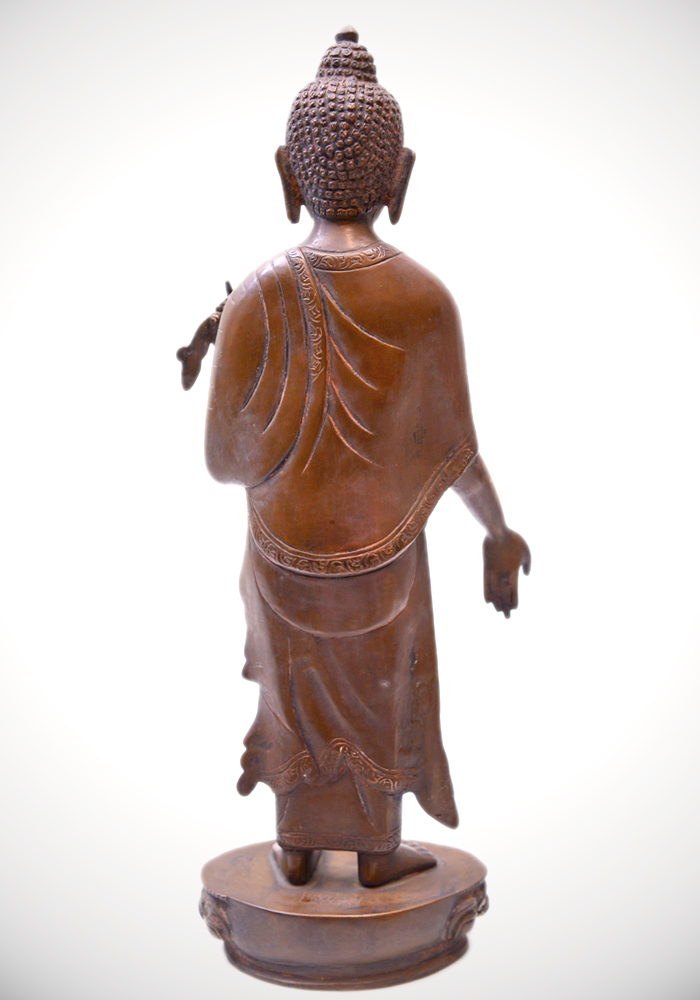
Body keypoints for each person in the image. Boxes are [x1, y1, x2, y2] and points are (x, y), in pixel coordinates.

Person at [196, 28, 530, 888]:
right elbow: (457, 453)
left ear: (286, 173)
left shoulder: (258, 293)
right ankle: (377, 851)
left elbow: (223, 462)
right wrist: (497, 533)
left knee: (295, 701)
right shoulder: (426, 300)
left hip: (281, 558)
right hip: (385, 564)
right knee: (381, 701)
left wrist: (241, 359)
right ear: (400, 177)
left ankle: (296, 847)